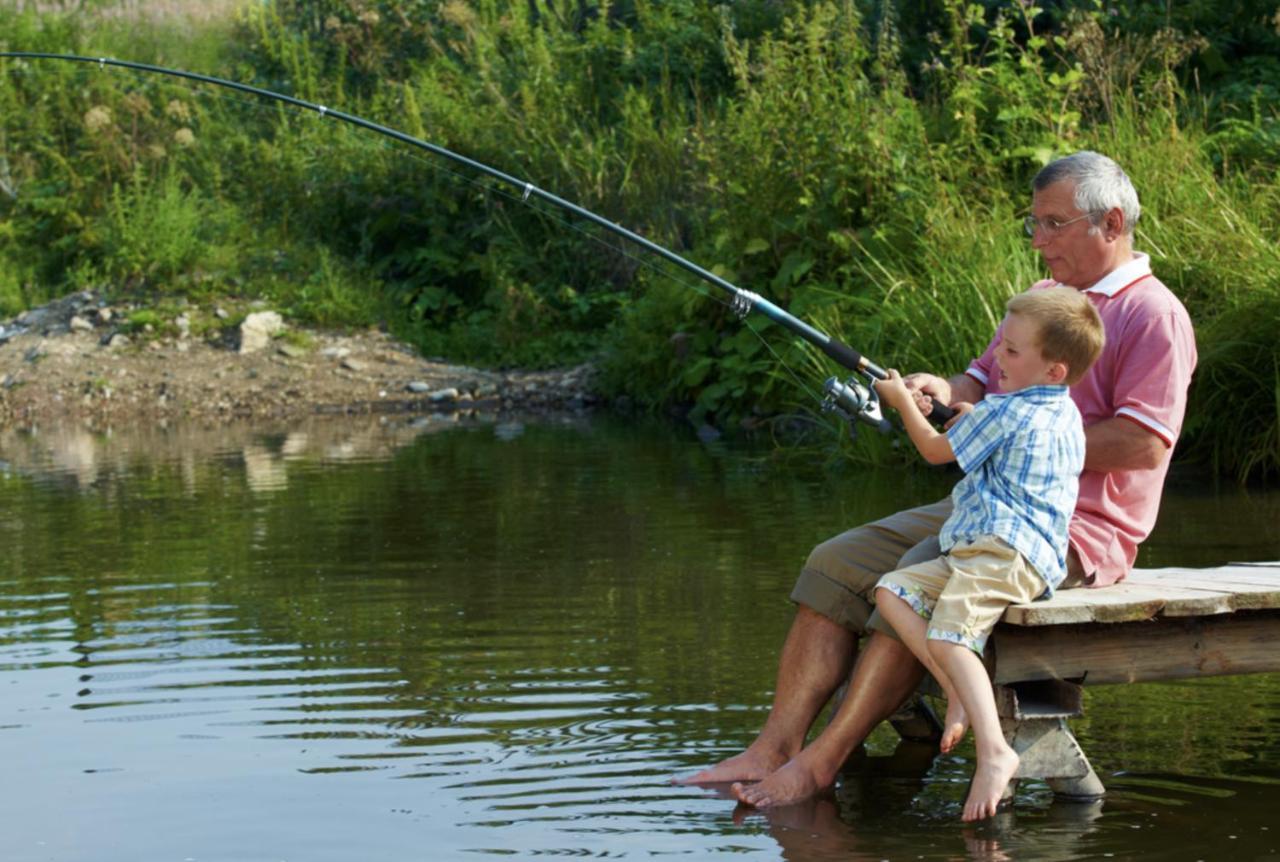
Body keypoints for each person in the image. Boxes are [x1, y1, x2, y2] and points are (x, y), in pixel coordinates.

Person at [675, 150, 1198, 810]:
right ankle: (773, 747)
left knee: (922, 583)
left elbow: (1147, 444)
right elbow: (982, 380)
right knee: (834, 562)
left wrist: (1016, 440)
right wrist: (937, 389)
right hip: (981, 510)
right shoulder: (1042, 300)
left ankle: (819, 764)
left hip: (1072, 533)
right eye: (1031, 223)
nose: (1036, 240)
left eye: (1053, 223)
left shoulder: (1155, 316)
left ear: (1111, 222)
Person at [872, 287, 1105, 821]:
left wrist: (903, 401)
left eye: (1013, 351)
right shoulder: (1062, 412)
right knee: (893, 590)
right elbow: (1007, 441)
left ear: (1054, 368)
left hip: (1001, 553)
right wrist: (973, 416)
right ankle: (960, 689)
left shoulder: (1002, 412)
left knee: (949, 634)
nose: (997, 356)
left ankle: (995, 750)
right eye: (1002, 345)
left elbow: (934, 450)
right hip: (1014, 555)